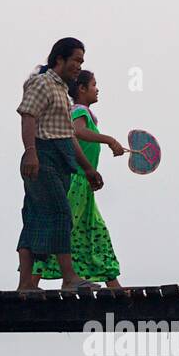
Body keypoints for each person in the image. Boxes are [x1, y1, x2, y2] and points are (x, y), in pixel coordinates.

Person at [15, 38, 105, 291]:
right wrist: (31, 152)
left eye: (81, 61)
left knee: (34, 216)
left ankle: (25, 285)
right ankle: (69, 278)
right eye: (75, 60)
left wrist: (88, 168)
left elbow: (68, 135)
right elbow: (28, 116)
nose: (78, 66)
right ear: (59, 59)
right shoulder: (42, 82)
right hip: (42, 156)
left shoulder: (63, 92)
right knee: (61, 213)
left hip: (59, 156)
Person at [32, 70, 126, 288]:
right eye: (94, 85)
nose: (97, 89)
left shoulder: (86, 115)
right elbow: (76, 132)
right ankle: (32, 280)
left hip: (85, 186)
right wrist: (109, 140)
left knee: (95, 231)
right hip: (75, 182)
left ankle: (114, 285)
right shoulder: (78, 111)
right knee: (66, 228)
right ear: (82, 89)